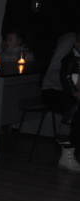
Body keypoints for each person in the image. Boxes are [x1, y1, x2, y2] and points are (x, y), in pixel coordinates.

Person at [40, 29, 80, 172]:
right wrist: (73, 87)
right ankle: (67, 153)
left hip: (68, 91)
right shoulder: (69, 43)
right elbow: (56, 73)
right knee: (76, 108)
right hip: (55, 91)